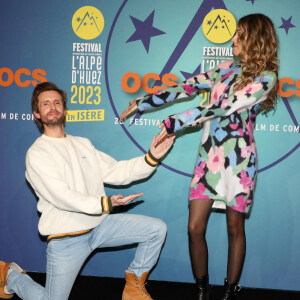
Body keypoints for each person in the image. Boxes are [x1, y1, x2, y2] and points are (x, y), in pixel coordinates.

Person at [120, 13, 279, 300]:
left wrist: (174, 122)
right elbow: (185, 88)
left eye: (239, 35)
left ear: (254, 39)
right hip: (209, 156)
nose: (233, 40)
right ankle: (202, 291)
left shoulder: (266, 78)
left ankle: (230, 292)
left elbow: (222, 107)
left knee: (234, 228)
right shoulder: (225, 68)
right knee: (194, 228)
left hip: (240, 161)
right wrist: (144, 102)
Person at [0, 82, 175, 300]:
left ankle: (133, 285)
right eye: (46, 104)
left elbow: (116, 171)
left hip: (99, 226)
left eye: (57, 102)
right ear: (37, 113)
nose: (52, 107)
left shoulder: (83, 144)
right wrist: (105, 203)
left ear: (64, 110)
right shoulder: (37, 153)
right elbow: (61, 196)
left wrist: (151, 158)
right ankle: (12, 276)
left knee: (156, 229)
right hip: (66, 239)